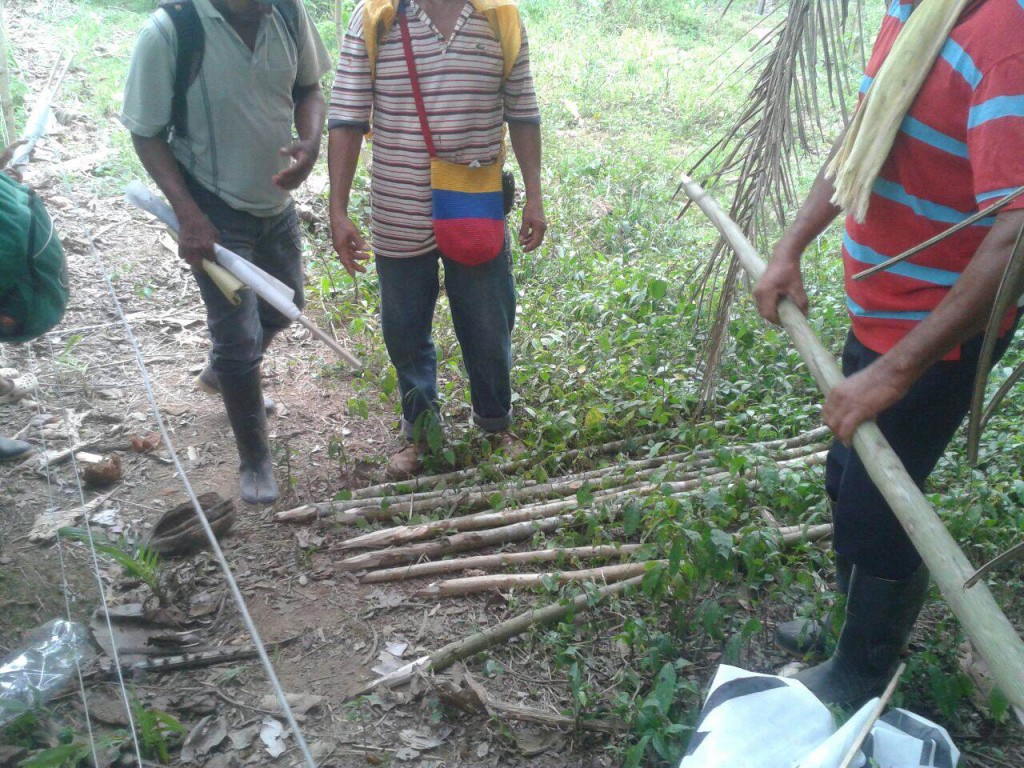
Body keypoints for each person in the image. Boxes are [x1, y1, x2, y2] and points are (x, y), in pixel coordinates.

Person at [754, 0, 1024, 708]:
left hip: (937, 339)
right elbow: (863, 131)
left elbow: (1017, 232)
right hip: (878, 315)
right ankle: (849, 625)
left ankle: (863, 669)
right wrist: (791, 245)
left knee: (882, 505)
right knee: (845, 475)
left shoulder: (1005, 39)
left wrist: (897, 369)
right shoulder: (915, 9)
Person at [120, 0, 331, 504]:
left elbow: (309, 89)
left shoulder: (286, 13)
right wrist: (188, 213)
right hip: (212, 208)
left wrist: (312, 140)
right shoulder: (172, 31)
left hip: (274, 202)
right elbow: (145, 133)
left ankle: (223, 374)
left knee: (289, 304)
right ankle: (255, 460)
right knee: (239, 338)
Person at [327, 0, 546, 478]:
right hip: (397, 205)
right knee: (405, 329)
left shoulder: (499, 17)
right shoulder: (376, 18)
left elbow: (523, 110)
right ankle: (421, 431)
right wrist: (338, 208)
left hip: (474, 202)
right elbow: (345, 117)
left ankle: (494, 423)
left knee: (489, 320)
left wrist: (534, 196)